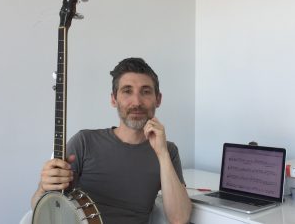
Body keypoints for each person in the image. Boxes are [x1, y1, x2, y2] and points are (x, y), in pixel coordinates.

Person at [31, 57, 192, 224]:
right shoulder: (84, 142)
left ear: (158, 99)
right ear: (114, 99)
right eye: (127, 91)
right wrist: (44, 187)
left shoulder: (168, 151)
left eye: (145, 92)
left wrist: (162, 153)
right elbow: (41, 206)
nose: (136, 102)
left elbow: (179, 219)